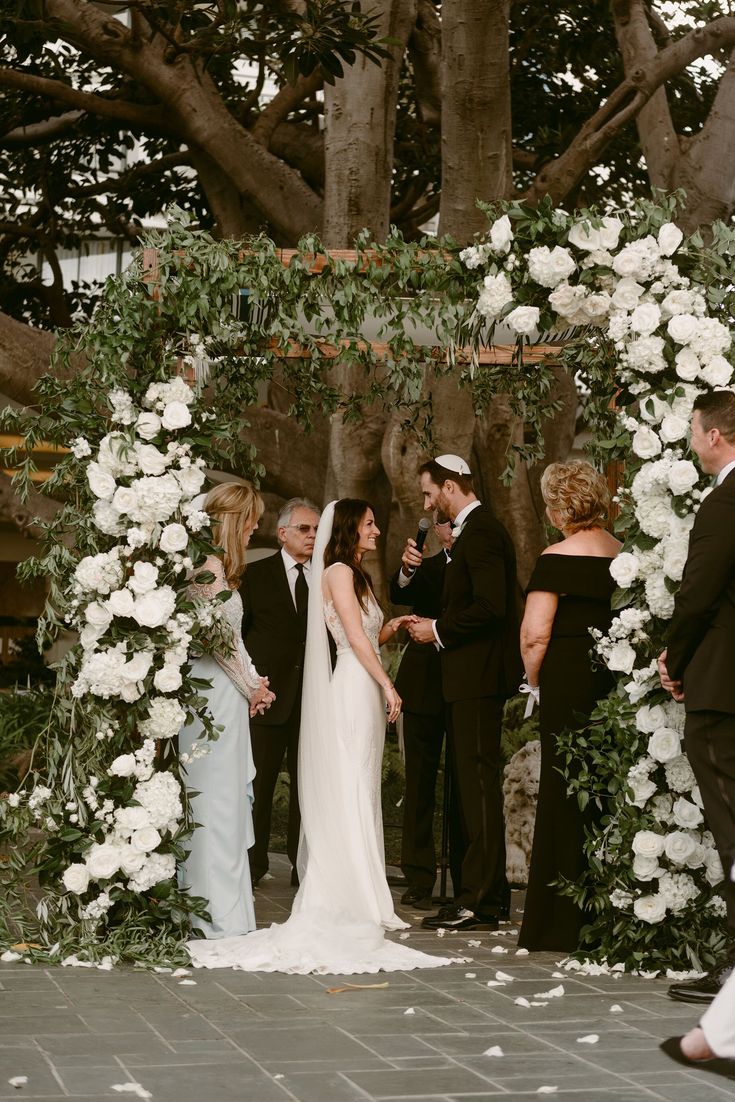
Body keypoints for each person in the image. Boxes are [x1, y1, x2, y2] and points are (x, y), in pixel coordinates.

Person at [187, 499, 466, 973]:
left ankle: (361, 885)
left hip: (345, 687)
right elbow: (348, 640)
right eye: (371, 523)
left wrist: (391, 628)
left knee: (357, 788)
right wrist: (386, 681)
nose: (377, 530)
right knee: (340, 787)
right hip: (332, 690)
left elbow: (358, 634)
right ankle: (340, 886)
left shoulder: (354, 575)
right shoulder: (327, 572)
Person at [407, 455, 522, 932]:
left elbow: (493, 606)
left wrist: (437, 628)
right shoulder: (468, 536)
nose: (428, 504)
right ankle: (482, 894)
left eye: (431, 494)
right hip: (465, 680)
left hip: (478, 678)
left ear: (451, 487)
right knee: (472, 790)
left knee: (477, 789)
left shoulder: (485, 532)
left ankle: (482, 900)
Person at [517, 461, 620, 952]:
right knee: (606, 787)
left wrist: (535, 684)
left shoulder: (555, 556)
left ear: (558, 507)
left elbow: (535, 636)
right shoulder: (623, 554)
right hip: (613, 680)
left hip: (567, 679)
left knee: (564, 790)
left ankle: (561, 920)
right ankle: (609, 908)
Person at [659, 390, 735, 1005]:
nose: (690, 439)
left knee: (733, 830)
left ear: (715, 436)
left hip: (723, 690)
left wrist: (673, 659)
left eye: (692, 429)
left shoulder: (725, 503)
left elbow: (698, 595)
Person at [179, 482, 275, 939]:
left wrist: (256, 683)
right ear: (232, 520)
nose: (257, 526)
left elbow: (235, 643)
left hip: (228, 696)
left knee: (229, 805)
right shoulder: (204, 574)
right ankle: (211, 913)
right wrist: (250, 687)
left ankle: (228, 911)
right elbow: (217, 646)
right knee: (214, 805)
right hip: (210, 703)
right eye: (252, 518)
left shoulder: (221, 573)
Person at [241, 497, 321, 888]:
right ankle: (252, 866)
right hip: (266, 700)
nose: (312, 536)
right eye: (305, 529)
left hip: (312, 702)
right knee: (259, 786)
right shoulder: (253, 576)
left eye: (317, 530)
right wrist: (252, 686)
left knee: (308, 792)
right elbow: (239, 638)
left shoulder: (326, 578)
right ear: (283, 532)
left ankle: (300, 866)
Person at [390, 513, 461, 909]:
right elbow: (398, 592)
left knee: (462, 785)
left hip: (466, 685)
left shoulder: (481, 565)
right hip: (422, 685)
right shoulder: (427, 568)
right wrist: (405, 569)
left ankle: (464, 876)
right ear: (436, 530)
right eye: (445, 523)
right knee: (418, 784)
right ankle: (417, 875)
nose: (451, 529)